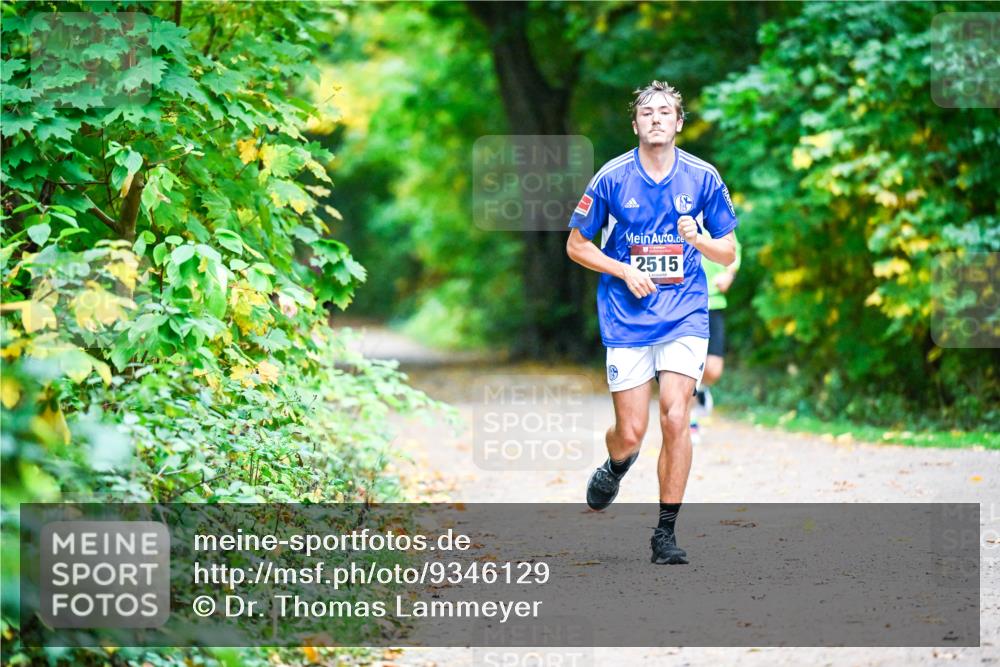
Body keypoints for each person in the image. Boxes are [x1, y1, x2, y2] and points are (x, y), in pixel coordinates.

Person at [565, 80, 739, 565]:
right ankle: (616, 465)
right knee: (632, 431)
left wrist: (699, 241)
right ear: (636, 124)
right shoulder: (612, 178)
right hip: (626, 317)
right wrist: (623, 269)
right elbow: (576, 245)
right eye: (648, 112)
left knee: (676, 415)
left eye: (666, 111)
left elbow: (726, 250)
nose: (657, 118)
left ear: (679, 123)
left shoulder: (702, 178)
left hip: (684, 312)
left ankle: (666, 533)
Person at [689, 237, 741, 445]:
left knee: (713, 370)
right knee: (688, 369)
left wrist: (729, 274)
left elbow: (734, 249)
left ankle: (701, 390)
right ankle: (691, 421)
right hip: (687, 305)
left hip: (714, 303)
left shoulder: (714, 209)